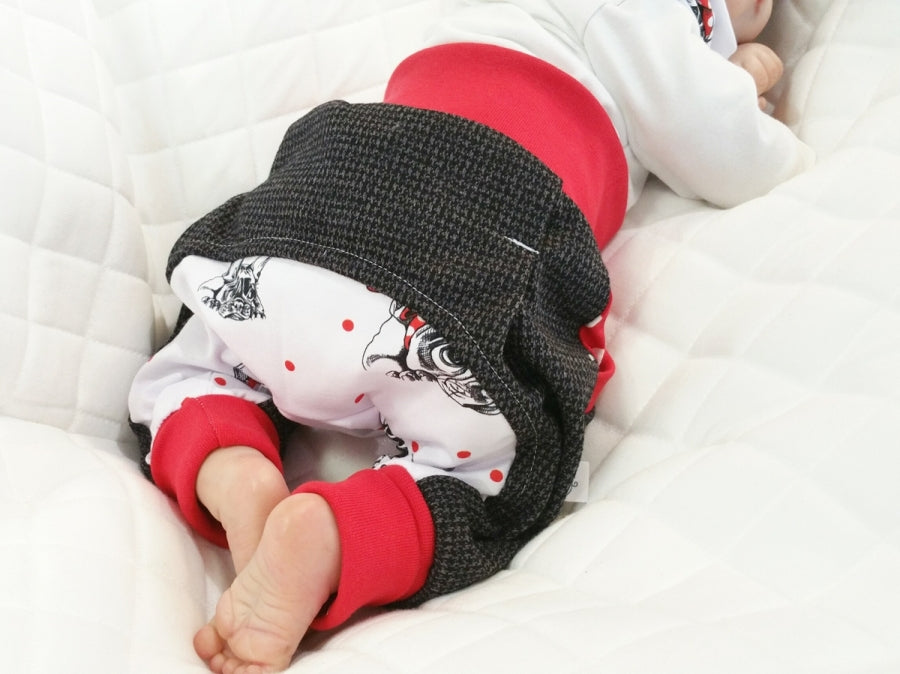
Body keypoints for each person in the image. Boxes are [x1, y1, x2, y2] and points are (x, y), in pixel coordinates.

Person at [128, 0, 813, 671]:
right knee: (508, 469)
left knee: (209, 346)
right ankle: (330, 537)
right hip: (479, 227)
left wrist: (719, 70)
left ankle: (233, 469)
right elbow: (725, 148)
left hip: (327, 190)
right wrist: (747, 88)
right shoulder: (646, 14)